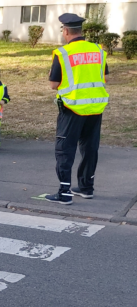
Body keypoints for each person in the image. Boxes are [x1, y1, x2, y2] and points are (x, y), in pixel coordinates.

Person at [44, 12, 109, 204]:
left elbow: (54, 84)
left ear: (65, 31)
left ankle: (64, 192)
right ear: (81, 30)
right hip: (95, 108)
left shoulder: (63, 53)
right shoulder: (98, 50)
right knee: (90, 148)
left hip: (72, 108)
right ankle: (86, 187)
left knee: (65, 149)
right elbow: (104, 77)